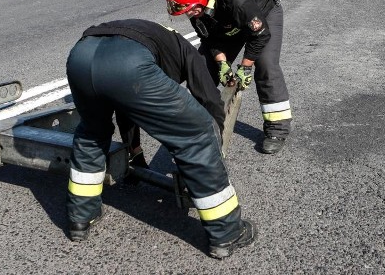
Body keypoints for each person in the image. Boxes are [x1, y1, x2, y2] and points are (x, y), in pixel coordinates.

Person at [65, 18, 256, 259]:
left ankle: (81, 218)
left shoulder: (153, 37)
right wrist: (214, 140)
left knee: (92, 133)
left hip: (81, 56)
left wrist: (136, 154)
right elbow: (209, 98)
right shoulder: (189, 53)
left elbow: (127, 106)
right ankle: (227, 232)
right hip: (127, 62)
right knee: (197, 132)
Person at [164, 0, 292, 155]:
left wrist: (245, 67)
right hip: (230, 25)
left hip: (263, 17)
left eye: (191, 10)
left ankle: (277, 129)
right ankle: (200, 126)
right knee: (202, 69)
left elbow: (261, 35)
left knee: (266, 65)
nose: (189, 14)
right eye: (187, 11)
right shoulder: (195, 4)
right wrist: (222, 63)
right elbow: (210, 38)